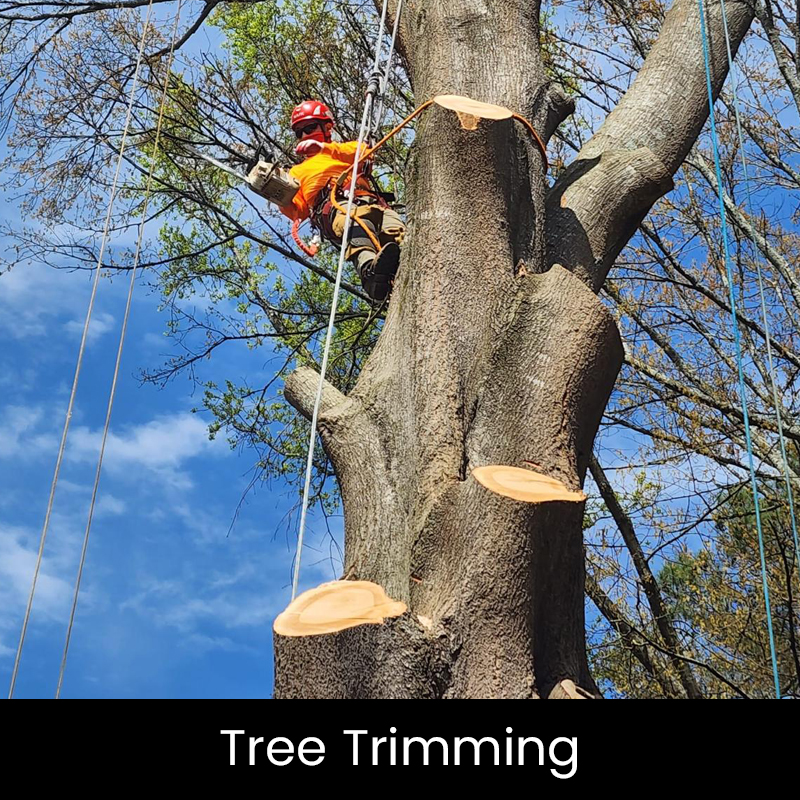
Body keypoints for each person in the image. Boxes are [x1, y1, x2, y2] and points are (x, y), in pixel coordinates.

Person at [277, 100, 405, 302]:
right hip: (335, 206)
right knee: (355, 225)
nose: (304, 135)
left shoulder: (341, 151)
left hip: (372, 202)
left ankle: (404, 264)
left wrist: (323, 148)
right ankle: (370, 273)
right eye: (299, 132)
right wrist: (277, 193)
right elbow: (298, 211)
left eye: (309, 128)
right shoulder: (296, 172)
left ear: (327, 127)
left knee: (397, 231)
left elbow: (364, 153)